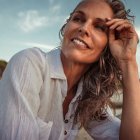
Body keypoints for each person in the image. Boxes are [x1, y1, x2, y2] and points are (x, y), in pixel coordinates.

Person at [0, 0, 139, 139]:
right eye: (78, 19)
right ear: (66, 26)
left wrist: (128, 62)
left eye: (99, 27)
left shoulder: (88, 94)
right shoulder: (29, 63)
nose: (84, 28)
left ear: (108, 46)